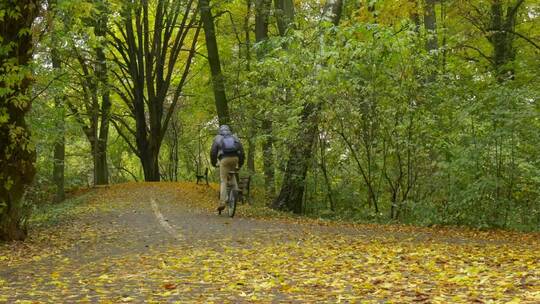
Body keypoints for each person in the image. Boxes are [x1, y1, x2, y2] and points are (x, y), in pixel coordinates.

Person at [210, 125, 245, 212]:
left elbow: (213, 152)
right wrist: (240, 164)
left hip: (224, 160)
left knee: (223, 180)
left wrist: (214, 163)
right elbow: (242, 152)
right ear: (229, 130)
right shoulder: (234, 137)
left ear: (220, 131)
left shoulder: (218, 138)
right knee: (232, 175)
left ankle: (222, 202)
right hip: (235, 159)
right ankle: (235, 193)